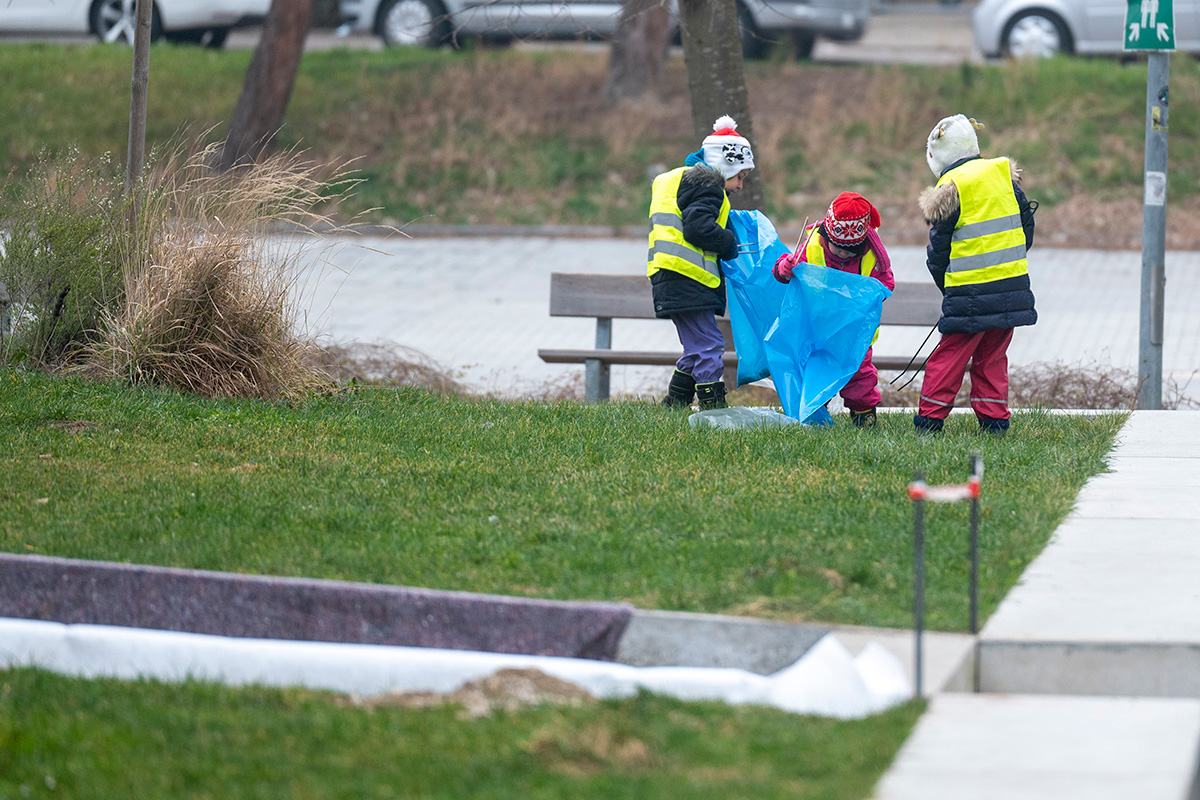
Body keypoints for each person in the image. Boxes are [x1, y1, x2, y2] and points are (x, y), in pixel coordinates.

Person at [913, 114, 1037, 434]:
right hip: (1011, 286)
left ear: (937, 157)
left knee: (950, 357)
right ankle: (994, 421)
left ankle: (930, 419)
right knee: (993, 356)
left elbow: (938, 255)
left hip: (968, 291)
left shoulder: (953, 190)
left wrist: (951, 288)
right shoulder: (1003, 177)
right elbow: (1026, 231)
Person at [648, 115, 754, 411]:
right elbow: (697, 228)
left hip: (672, 275)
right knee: (709, 344)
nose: (740, 186)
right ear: (725, 166)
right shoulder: (707, 186)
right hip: (687, 277)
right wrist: (729, 243)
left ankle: (676, 402)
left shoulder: (682, 179)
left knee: (696, 346)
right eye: (739, 176)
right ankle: (713, 407)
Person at [771, 192, 895, 427]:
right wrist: (786, 268)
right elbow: (781, 271)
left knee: (860, 376)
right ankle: (815, 414)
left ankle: (864, 413)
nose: (842, 254)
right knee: (816, 372)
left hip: (854, 335)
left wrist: (873, 293)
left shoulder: (874, 255)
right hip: (817, 332)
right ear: (827, 235)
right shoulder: (812, 245)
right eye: (836, 248)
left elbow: (886, 283)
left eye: (850, 252)